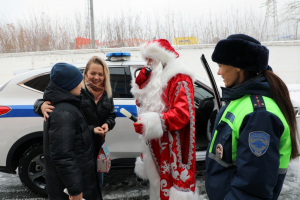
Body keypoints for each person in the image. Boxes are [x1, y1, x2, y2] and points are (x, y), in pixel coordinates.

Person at [205, 34, 300, 200]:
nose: (218, 72)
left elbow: (253, 189)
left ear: (238, 66)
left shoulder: (259, 115)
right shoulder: (239, 101)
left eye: (220, 65)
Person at [34, 56, 116, 193]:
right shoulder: (76, 91)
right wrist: (40, 105)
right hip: (81, 149)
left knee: (97, 184)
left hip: (98, 147)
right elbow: (54, 103)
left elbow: (111, 115)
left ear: (105, 76)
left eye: (100, 74)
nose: (96, 77)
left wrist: (108, 123)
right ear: (85, 74)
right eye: (93, 73)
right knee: (84, 185)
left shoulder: (107, 94)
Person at [131, 39, 199, 200]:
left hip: (172, 147)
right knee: (158, 187)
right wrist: (141, 85)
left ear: (161, 58)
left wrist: (151, 123)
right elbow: (145, 103)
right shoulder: (156, 77)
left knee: (170, 192)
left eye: (150, 59)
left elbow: (182, 115)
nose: (147, 64)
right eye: (146, 59)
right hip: (156, 146)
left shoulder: (179, 78)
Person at [42, 62, 102, 200]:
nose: (81, 86)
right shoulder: (64, 112)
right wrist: (75, 190)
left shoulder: (68, 106)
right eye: (78, 82)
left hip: (81, 178)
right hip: (73, 187)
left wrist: (91, 130)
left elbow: (73, 135)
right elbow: (63, 156)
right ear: (67, 85)